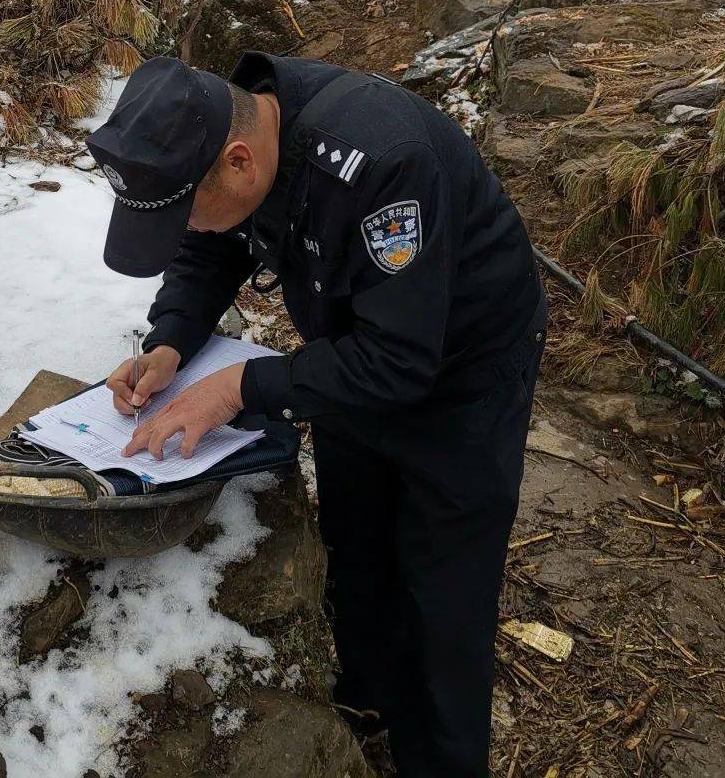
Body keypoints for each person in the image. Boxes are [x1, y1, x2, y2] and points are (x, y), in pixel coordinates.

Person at [86, 51, 546, 778]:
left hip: (462, 372)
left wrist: (240, 387)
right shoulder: (239, 141)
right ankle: (367, 711)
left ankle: (440, 761)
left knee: (444, 593)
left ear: (239, 165)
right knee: (356, 547)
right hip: (350, 353)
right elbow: (210, 251)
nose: (189, 230)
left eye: (186, 213)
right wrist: (171, 341)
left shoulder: (385, 164)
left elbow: (400, 363)